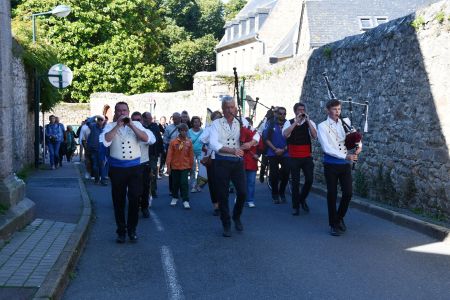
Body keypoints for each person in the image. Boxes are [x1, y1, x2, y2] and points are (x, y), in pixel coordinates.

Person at [100, 102, 155, 243]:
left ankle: (132, 230)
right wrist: (118, 125)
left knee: (135, 199)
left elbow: (149, 139)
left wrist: (131, 125)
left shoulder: (137, 125)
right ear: (115, 112)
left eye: (124, 110)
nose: (122, 113)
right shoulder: (109, 126)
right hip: (117, 169)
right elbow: (105, 141)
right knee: (118, 200)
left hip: (135, 169)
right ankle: (121, 231)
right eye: (119, 111)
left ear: (128, 112)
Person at [209, 96, 259, 237]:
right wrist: (232, 150)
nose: (230, 110)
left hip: (237, 163)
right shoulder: (216, 123)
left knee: (242, 193)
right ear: (223, 109)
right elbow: (213, 143)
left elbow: (257, 135)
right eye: (227, 107)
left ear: (236, 108)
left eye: (232, 107)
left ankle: (236, 215)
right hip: (222, 162)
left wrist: (249, 144)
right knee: (223, 194)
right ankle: (226, 223)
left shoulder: (242, 121)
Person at [318, 99, 362, 236]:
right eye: (334, 109)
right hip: (331, 164)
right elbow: (327, 148)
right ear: (328, 110)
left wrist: (359, 147)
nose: (337, 112)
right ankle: (333, 224)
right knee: (332, 194)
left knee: (348, 193)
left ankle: (339, 217)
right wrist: (346, 157)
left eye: (339, 109)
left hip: (344, 165)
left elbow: (356, 137)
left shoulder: (346, 122)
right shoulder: (322, 126)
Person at [283, 102, 317, 216]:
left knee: (309, 180)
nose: (301, 112)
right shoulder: (289, 122)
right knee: (295, 182)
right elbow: (285, 134)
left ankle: (302, 199)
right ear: (295, 111)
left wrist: (307, 121)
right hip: (294, 157)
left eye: (303, 109)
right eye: (299, 110)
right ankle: (295, 206)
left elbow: (314, 135)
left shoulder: (309, 122)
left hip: (306, 156)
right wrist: (296, 122)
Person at [264, 106, 290, 204]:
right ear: (276, 114)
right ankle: (275, 194)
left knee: (286, 172)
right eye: (280, 113)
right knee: (274, 174)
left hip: (286, 153)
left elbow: (291, 140)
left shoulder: (288, 124)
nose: (282, 115)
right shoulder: (271, 124)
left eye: (284, 114)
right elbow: (266, 139)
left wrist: (283, 150)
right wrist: (275, 149)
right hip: (273, 152)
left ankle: (282, 192)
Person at [166, 123, 194, 210]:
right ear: (179, 131)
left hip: (185, 166)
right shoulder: (173, 142)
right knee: (175, 183)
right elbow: (169, 154)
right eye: (182, 130)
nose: (184, 132)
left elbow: (191, 155)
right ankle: (175, 197)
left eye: (186, 131)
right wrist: (168, 166)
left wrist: (191, 166)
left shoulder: (189, 142)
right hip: (175, 166)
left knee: (184, 183)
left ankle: (185, 200)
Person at [200, 110, 223, 216]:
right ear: (212, 120)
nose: (218, 120)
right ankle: (216, 205)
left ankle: (222, 203)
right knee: (213, 183)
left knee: (223, 182)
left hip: (224, 157)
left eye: (220, 118)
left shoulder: (225, 128)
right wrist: (212, 133)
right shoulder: (209, 129)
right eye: (216, 118)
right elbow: (202, 139)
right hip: (212, 159)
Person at [131, 112, 151, 218]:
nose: (136, 122)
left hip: (143, 163)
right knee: (133, 188)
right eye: (133, 120)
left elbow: (152, 141)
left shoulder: (146, 132)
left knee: (145, 187)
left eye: (138, 120)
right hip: (131, 164)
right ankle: (134, 205)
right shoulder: (128, 132)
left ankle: (144, 207)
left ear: (142, 121)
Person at [243, 118, 263, 208]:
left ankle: (250, 199)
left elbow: (261, 147)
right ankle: (240, 198)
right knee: (241, 182)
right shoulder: (240, 133)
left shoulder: (256, 134)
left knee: (251, 182)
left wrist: (257, 155)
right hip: (241, 160)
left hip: (252, 161)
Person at [163, 112, 182, 195]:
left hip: (182, 151)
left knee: (181, 170)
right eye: (174, 118)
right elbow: (165, 139)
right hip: (172, 151)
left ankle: (181, 189)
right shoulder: (168, 128)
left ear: (180, 118)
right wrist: (170, 144)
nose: (175, 120)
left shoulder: (184, 127)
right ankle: (172, 190)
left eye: (177, 118)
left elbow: (188, 138)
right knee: (171, 170)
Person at [87, 115, 107, 185]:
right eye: (99, 120)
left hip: (102, 149)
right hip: (94, 149)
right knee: (95, 165)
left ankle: (103, 180)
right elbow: (88, 121)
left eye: (101, 120)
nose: (100, 121)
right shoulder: (93, 126)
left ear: (103, 121)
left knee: (102, 165)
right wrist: (95, 116)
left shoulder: (106, 128)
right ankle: (97, 179)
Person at [188, 116, 204, 193]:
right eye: (195, 122)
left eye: (198, 122)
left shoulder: (203, 131)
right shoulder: (189, 131)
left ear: (200, 123)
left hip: (201, 152)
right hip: (192, 152)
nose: (196, 123)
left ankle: (199, 185)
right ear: (192, 123)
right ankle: (193, 185)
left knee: (200, 170)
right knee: (193, 169)